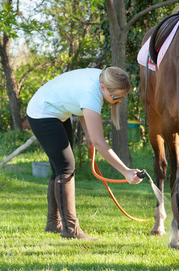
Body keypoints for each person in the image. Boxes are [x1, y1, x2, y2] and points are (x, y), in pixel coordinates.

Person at [26, 66, 143, 241]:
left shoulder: (102, 79)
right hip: (43, 113)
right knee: (66, 167)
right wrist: (126, 171)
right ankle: (71, 230)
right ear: (104, 88)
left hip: (57, 113)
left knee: (59, 167)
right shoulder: (92, 92)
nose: (118, 101)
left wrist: (89, 133)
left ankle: (53, 224)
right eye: (116, 97)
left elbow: (80, 105)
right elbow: (100, 143)